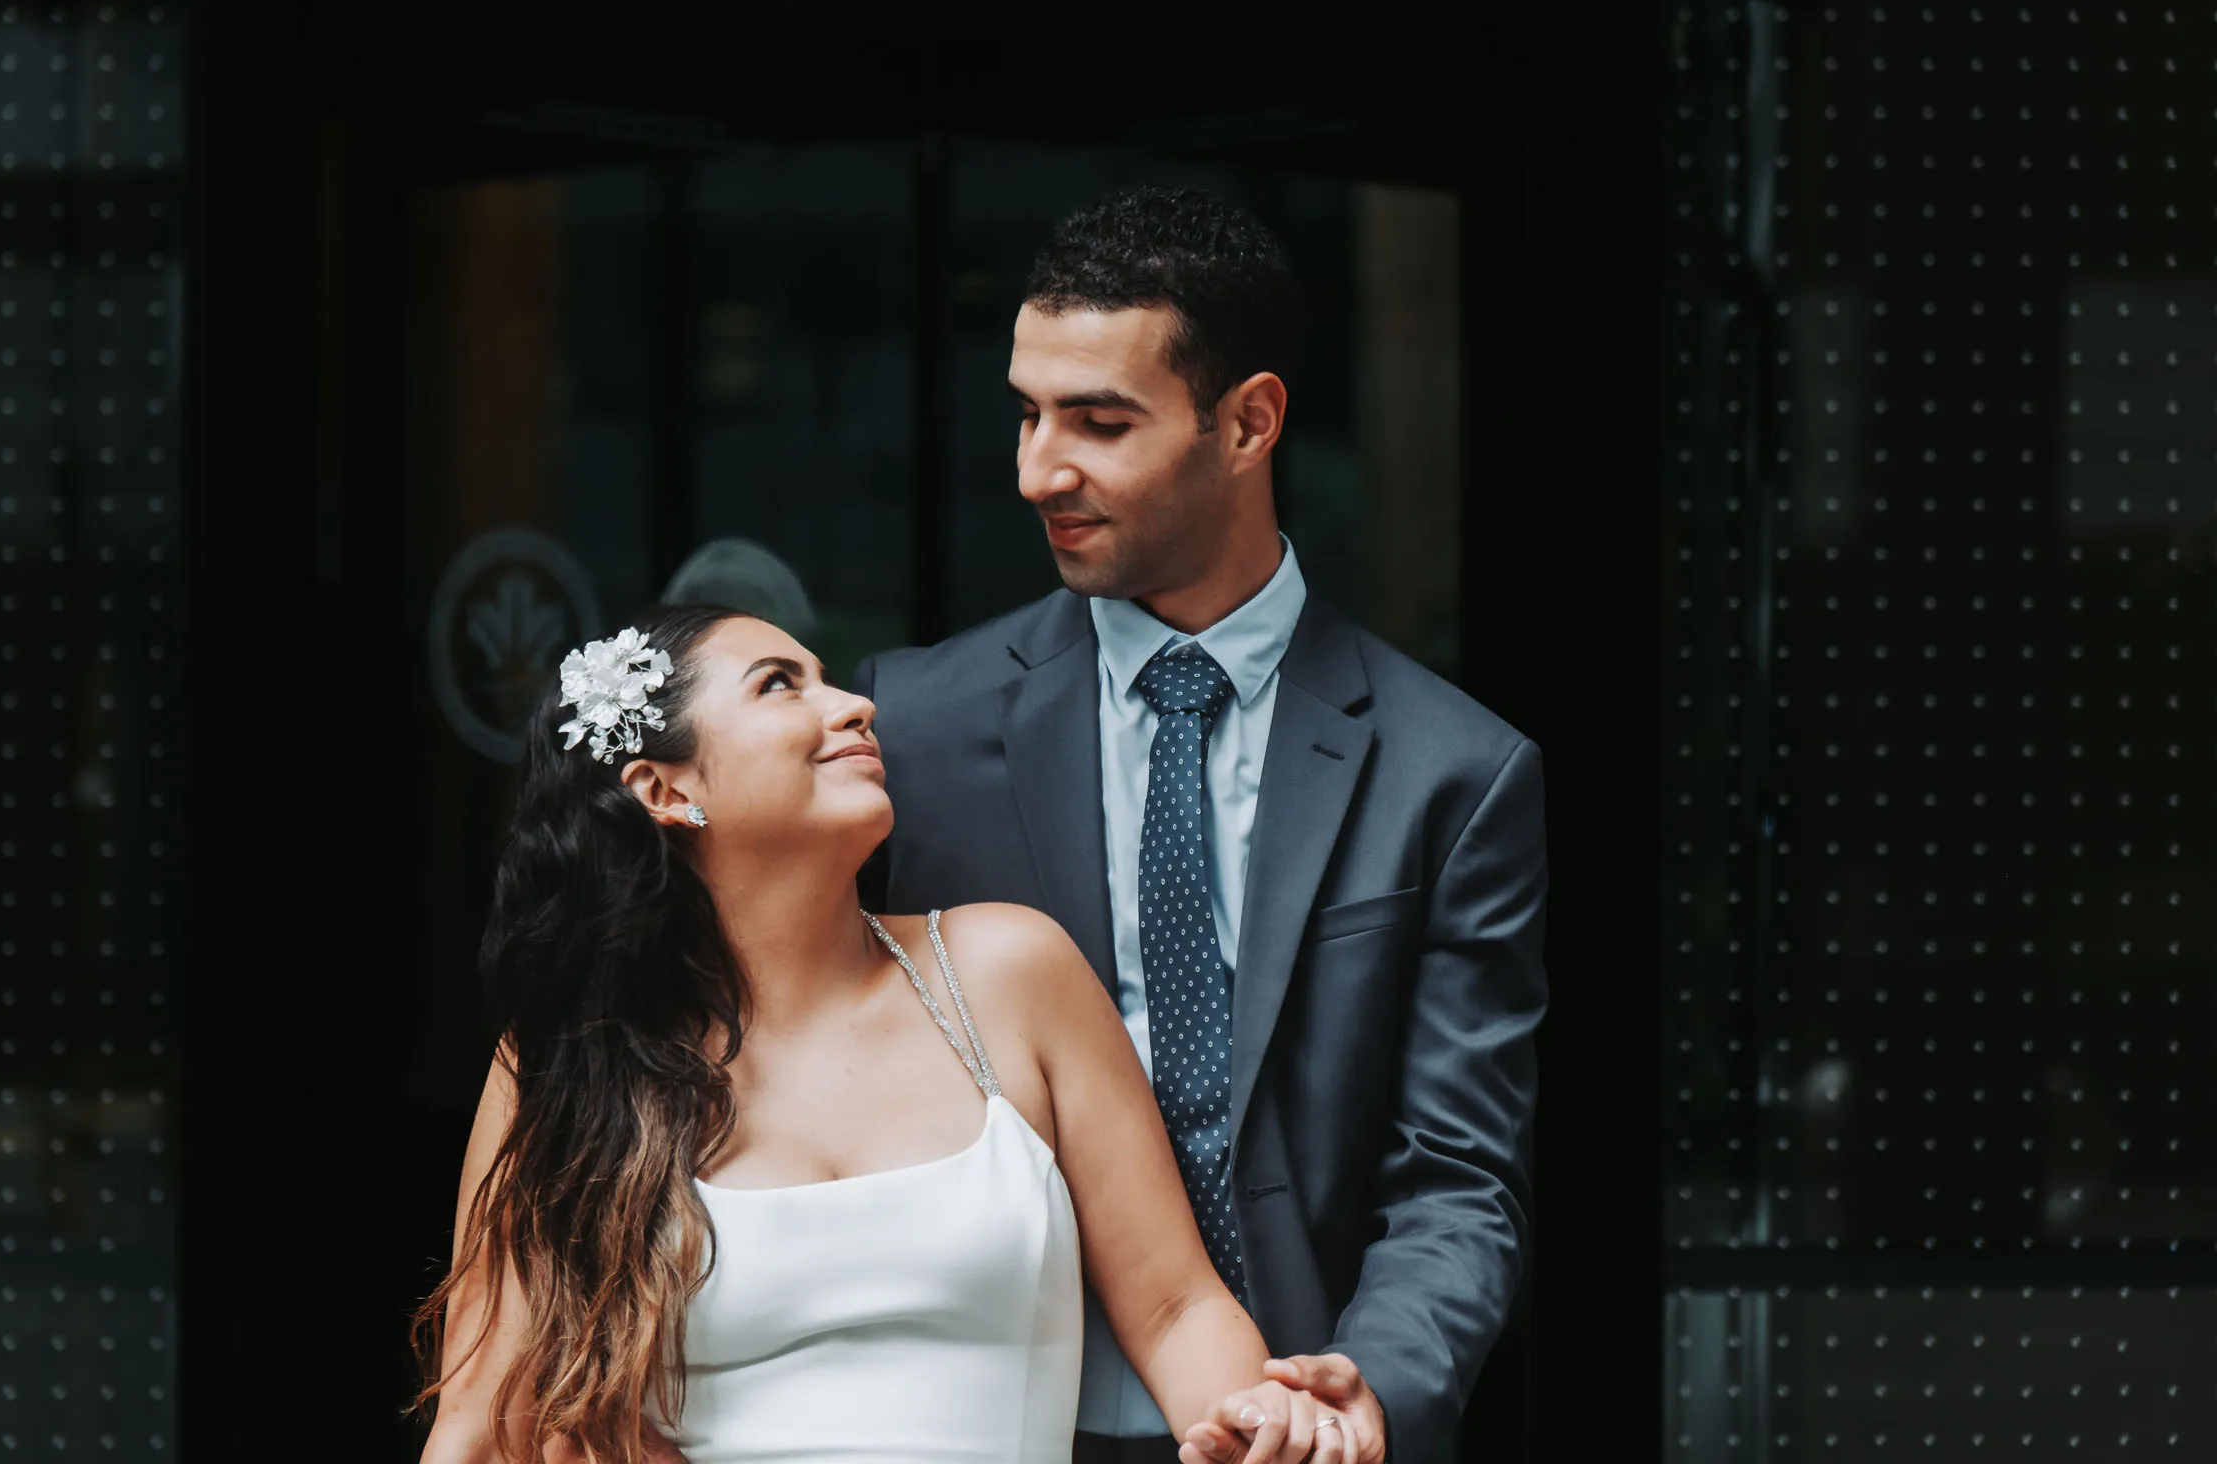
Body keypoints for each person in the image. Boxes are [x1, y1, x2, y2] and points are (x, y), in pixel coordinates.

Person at [850, 187, 1549, 1463]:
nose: (1036, 470)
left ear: (1250, 422)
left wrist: (1367, 1390)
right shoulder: (914, 727)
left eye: (1099, 422)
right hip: (984, 1419)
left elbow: (1458, 1174)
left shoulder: (1458, 772)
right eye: (1027, 412)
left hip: (1290, 1426)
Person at [409, 605, 1378, 1463]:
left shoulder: (1008, 972)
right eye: (781, 684)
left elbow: (1175, 1307)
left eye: (829, 676)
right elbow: (479, 1421)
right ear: (665, 789)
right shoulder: (567, 1061)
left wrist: (1254, 1425)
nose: (853, 705)